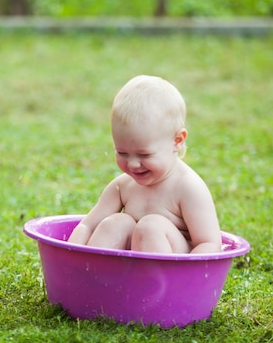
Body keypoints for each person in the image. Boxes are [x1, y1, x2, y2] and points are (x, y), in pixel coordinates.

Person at [68, 75, 221, 254]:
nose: (132, 164)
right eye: (122, 153)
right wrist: (70, 256)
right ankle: (92, 275)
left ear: (177, 141)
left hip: (173, 271)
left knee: (151, 226)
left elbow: (209, 244)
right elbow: (87, 226)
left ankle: (155, 281)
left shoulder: (188, 187)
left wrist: (187, 279)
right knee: (116, 223)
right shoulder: (122, 186)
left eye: (144, 154)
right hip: (126, 272)